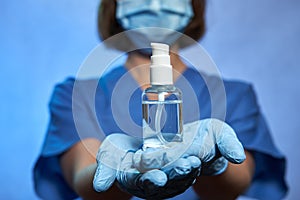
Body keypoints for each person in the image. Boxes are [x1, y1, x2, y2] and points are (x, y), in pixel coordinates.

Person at [33, 0, 288, 199]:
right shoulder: (76, 95)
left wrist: (214, 162)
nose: (155, 5)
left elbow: (228, 190)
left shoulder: (234, 95)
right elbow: (85, 180)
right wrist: (117, 170)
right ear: (115, 5)